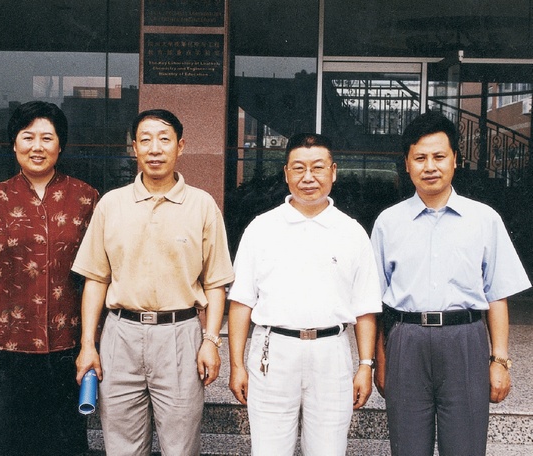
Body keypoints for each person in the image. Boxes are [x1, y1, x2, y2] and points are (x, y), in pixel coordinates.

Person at [72, 109, 235, 455]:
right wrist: (88, 344)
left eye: (164, 139)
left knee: (180, 446)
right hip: (120, 336)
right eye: (145, 140)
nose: (155, 148)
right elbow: (96, 279)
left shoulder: (202, 205)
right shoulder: (111, 204)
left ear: (180, 146)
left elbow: (216, 282)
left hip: (179, 335)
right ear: (134, 148)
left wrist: (211, 341)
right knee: (122, 446)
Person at [371, 111, 531, 456]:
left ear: (455, 159)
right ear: (407, 164)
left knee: (465, 447)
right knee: (407, 448)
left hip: (465, 341)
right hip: (406, 341)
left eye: (439, 156)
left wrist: (499, 360)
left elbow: (497, 295)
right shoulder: (388, 223)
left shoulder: (484, 219)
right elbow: (375, 302)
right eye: (420, 158)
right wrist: (379, 361)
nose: (430, 166)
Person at [227, 133, 381, 456]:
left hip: (331, 352)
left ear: (333, 172)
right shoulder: (261, 228)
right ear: (286, 173)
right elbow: (241, 301)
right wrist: (237, 364)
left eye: (317, 167)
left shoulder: (352, 232)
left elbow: (365, 306)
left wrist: (365, 364)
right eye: (298, 168)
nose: (308, 177)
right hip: (273, 351)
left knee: (329, 450)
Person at [0, 101, 98, 456]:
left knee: (62, 446)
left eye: (47, 138)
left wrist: (91, 343)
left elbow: (99, 277)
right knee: (2, 445)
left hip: (66, 346)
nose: (37, 147)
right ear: (14, 144)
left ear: (60, 145)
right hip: (5, 348)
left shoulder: (86, 198)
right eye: (28, 137)